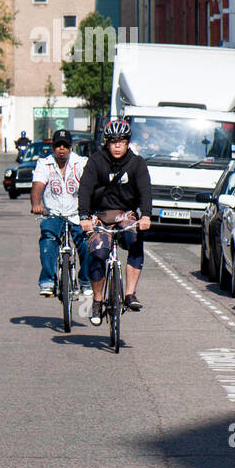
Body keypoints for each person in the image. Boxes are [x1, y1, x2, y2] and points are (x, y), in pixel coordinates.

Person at [78, 119, 153, 326]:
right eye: (113, 142)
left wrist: (145, 215)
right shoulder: (96, 161)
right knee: (98, 253)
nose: (117, 146)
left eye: (121, 141)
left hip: (125, 214)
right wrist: (84, 217)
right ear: (107, 143)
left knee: (135, 240)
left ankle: (129, 295)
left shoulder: (137, 163)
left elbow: (145, 190)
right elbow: (85, 189)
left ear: (128, 143)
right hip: (101, 215)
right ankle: (97, 300)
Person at [31, 128, 90, 297]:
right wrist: (36, 204)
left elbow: (88, 187)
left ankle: (85, 281)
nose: (61, 149)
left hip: (77, 214)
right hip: (53, 213)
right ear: (53, 148)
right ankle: (47, 281)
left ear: (71, 147)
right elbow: (37, 187)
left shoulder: (81, 163)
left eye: (65, 145)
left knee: (87, 244)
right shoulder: (44, 163)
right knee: (48, 241)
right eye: (58, 146)